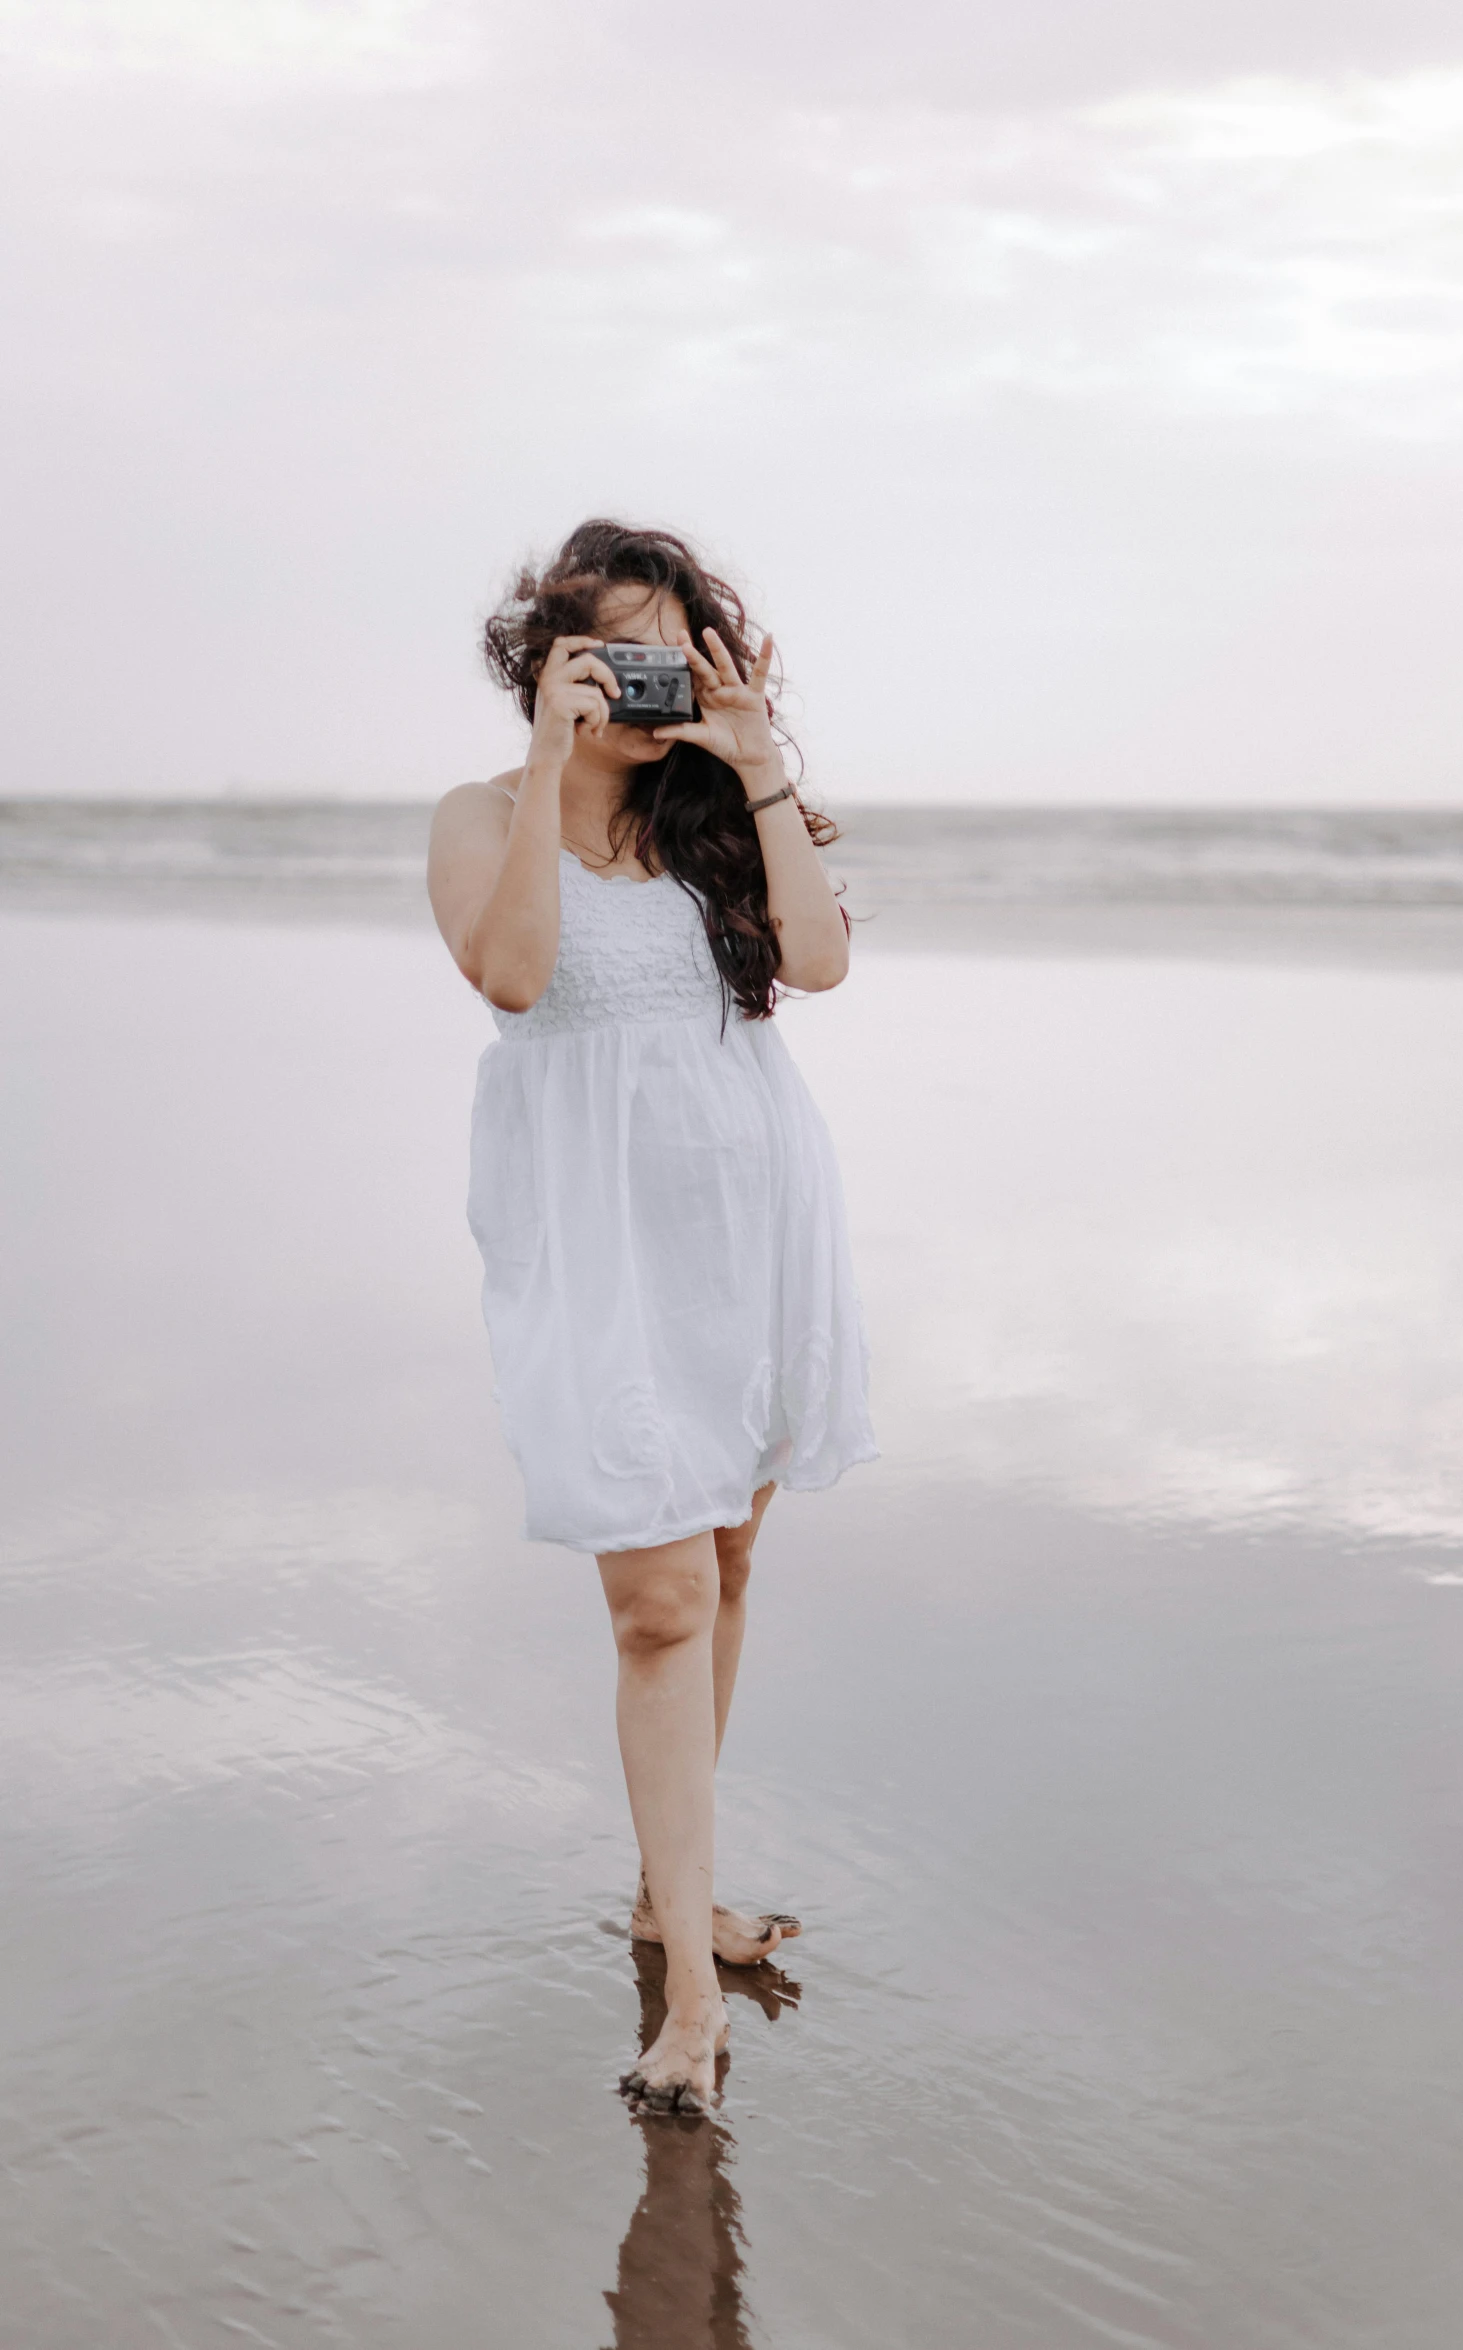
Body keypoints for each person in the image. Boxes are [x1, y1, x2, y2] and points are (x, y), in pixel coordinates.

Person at [427, 520, 876, 2117]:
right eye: (602, 650)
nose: (635, 680)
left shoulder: (712, 818)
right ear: (542, 659)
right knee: (659, 1603)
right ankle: (690, 1986)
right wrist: (553, 773)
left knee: (729, 1557)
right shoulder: (484, 816)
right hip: (599, 1243)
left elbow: (814, 964)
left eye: (662, 648)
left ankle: (660, 1893)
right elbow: (514, 978)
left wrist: (749, 757)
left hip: (749, 1220)